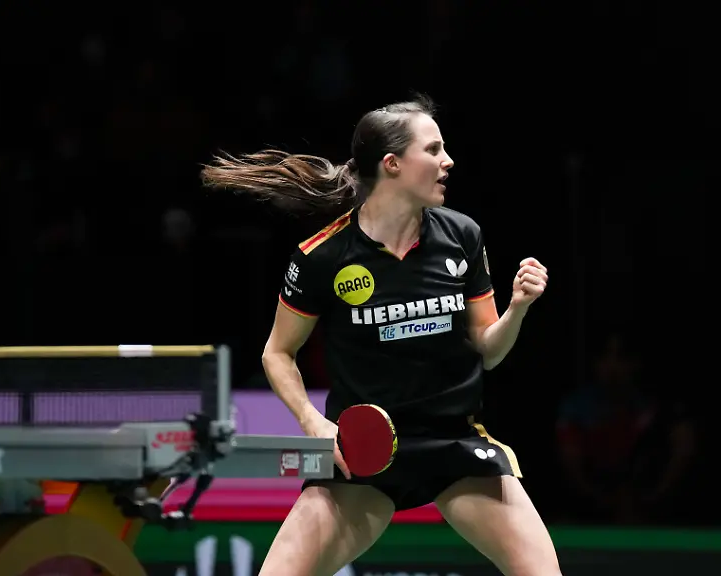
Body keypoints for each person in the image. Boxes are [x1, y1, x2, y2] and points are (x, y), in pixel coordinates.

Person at [200, 96, 560, 576]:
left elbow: (487, 352)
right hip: (362, 457)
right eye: (433, 150)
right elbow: (278, 353)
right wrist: (312, 422)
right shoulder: (323, 256)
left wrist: (517, 308)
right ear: (392, 164)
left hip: (451, 444)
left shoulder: (462, 236)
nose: (447, 161)